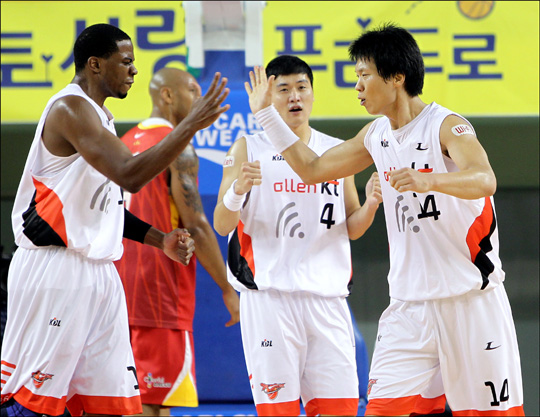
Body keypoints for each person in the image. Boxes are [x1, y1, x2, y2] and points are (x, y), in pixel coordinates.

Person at [244, 24, 524, 417]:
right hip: (409, 307)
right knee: (380, 411)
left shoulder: (446, 125)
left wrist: (430, 180)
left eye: (364, 75)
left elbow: (485, 179)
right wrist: (265, 116)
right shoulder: (375, 134)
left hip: (470, 301)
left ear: (396, 77)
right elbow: (312, 169)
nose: (357, 86)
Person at [0, 23, 229, 417]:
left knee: (110, 403)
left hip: (101, 274)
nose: (134, 70)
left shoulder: (102, 118)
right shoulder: (70, 108)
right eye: (125, 61)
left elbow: (104, 207)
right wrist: (190, 125)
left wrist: (159, 239)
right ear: (95, 64)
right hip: (55, 268)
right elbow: (129, 175)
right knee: (33, 401)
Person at [214, 55, 382, 417]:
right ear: (267, 97)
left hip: (328, 300)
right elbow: (221, 224)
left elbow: (351, 227)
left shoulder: (335, 151)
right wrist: (238, 191)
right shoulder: (248, 148)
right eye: (284, 89)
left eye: (302, 87)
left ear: (313, 94)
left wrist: (370, 205)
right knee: (280, 411)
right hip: (270, 299)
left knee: (341, 410)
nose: (294, 96)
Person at [115, 67, 240, 416]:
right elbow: (196, 225)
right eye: (192, 91)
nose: (199, 99)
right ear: (167, 95)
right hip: (158, 290)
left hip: (117, 287)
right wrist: (228, 288)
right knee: (153, 402)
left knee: (135, 398)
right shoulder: (177, 147)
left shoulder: (123, 142)